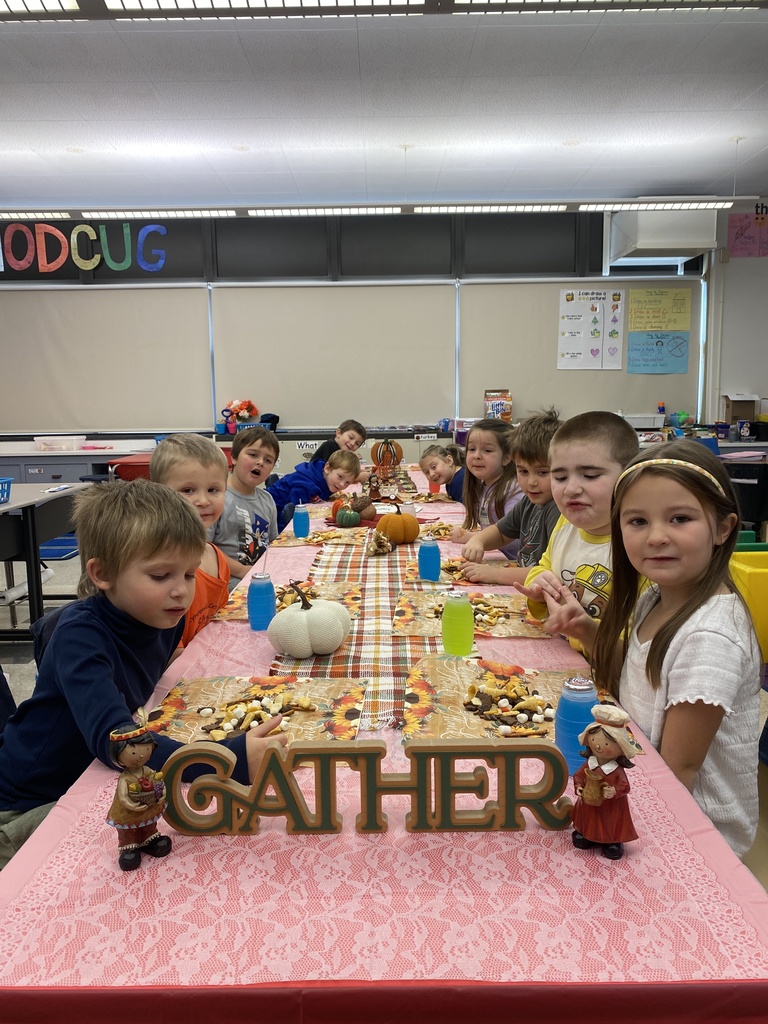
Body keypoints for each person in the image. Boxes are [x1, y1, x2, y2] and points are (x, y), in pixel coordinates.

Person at [0, 479, 286, 871]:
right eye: (160, 576)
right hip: (33, 798)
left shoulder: (157, 615)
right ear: (102, 574)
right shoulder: (79, 636)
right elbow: (118, 742)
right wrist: (226, 759)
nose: (181, 592)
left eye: (188, 575)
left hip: (90, 770)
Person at [591, 439, 761, 858]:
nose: (656, 537)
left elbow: (679, 771)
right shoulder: (656, 597)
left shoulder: (709, 639)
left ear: (723, 528)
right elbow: (634, 674)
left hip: (692, 831)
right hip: (641, 784)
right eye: (637, 521)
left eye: (680, 518)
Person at [514, 410, 639, 654]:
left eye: (590, 476)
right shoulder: (565, 524)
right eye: (560, 477)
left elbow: (638, 648)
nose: (571, 489)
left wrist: (582, 630)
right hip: (563, 654)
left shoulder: (638, 544)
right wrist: (538, 586)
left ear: (628, 476)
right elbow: (543, 567)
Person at [460, 408, 562, 585]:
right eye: (523, 471)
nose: (531, 482)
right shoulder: (529, 502)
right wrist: (478, 540)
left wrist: (494, 574)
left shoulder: (558, 509)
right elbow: (501, 533)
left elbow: (548, 574)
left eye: (543, 472)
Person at [150, 433, 230, 647]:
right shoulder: (158, 568)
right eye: (188, 490)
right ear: (158, 492)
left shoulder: (216, 557)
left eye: (213, 490)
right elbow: (164, 652)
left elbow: (218, 623)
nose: (203, 501)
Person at [209, 425, 280, 585]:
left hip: (262, 580)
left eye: (268, 460)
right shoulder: (215, 497)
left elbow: (274, 544)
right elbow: (204, 549)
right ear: (233, 457)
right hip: (229, 585)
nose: (260, 462)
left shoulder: (267, 500)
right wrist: (242, 570)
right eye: (253, 455)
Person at [570, 704, 639, 861]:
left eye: (606, 744)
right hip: (589, 802)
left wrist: (614, 791)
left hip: (610, 806)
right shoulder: (590, 763)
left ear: (620, 747)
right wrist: (579, 787)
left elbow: (624, 785)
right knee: (587, 818)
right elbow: (579, 776)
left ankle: (612, 842)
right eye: (594, 740)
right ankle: (585, 834)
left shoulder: (615, 770)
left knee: (610, 822)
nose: (599, 745)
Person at [449, 418, 522, 560]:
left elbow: (517, 537)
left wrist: (474, 537)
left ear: (507, 458)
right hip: (496, 558)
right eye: (471, 449)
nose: (476, 455)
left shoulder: (513, 490)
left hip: (515, 564)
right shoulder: (483, 485)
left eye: (487, 450)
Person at [106, 714, 171, 871]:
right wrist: (131, 804)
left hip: (148, 808)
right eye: (134, 753)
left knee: (149, 825)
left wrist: (162, 792)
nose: (141, 755)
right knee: (128, 831)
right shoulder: (126, 779)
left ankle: (149, 840)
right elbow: (123, 797)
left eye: (146, 749)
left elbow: (159, 782)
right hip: (128, 813)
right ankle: (129, 848)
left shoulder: (147, 771)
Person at [267, 449, 361, 526]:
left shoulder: (325, 477)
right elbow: (289, 516)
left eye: (347, 482)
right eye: (340, 477)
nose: (342, 484)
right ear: (327, 468)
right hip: (270, 516)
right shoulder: (305, 487)